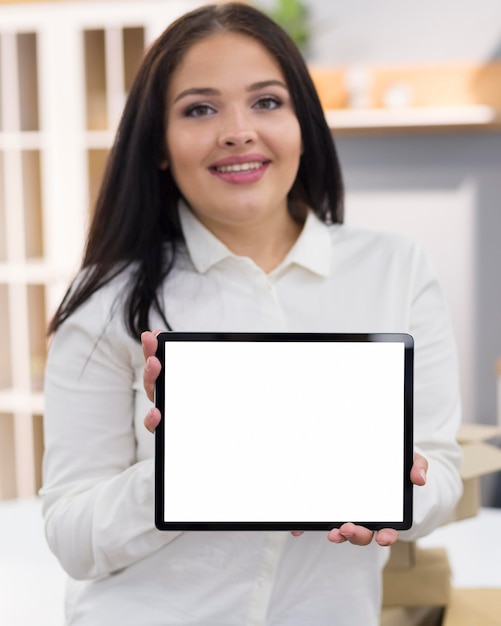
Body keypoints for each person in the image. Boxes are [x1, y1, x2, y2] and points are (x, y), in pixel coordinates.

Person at [41, 3, 463, 625]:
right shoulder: (107, 299)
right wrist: (186, 466)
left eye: (266, 102)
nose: (237, 131)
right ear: (158, 143)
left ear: (303, 124)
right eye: (199, 109)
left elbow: (441, 478)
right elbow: (71, 539)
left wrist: (393, 488)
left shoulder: (395, 268)